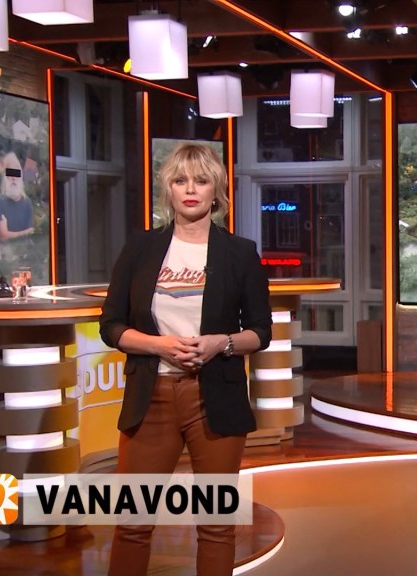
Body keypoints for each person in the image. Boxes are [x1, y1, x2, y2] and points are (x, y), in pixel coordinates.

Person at [99, 143, 272, 576]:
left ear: (217, 191)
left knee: (215, 525)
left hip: (215, 400)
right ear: (169, 190)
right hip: (151, 398)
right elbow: (112, 325)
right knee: (133, 522)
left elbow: (260, 332)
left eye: (201, 181)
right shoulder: (140, 248)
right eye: (180, 181)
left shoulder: (239, 253)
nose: (190, 190)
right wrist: (157, 345)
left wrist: (220, 344)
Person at [0, 151, 34, 241]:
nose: (13, 178)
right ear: (4, 178)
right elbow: (3, 236)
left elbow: (31, 232)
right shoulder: (0, 202)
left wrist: (11, 234)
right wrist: (25, 233)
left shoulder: (27, 202)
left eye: (16, 173)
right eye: (10, 173)